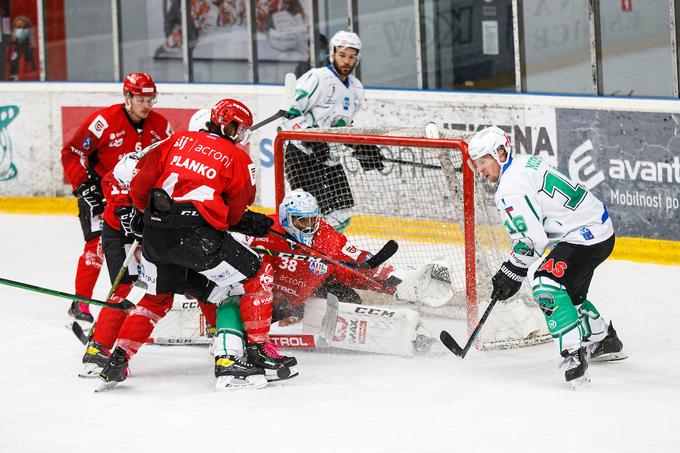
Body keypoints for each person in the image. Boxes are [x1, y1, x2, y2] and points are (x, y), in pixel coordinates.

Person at [98, 98, 275, 391]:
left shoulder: (175, 140)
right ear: (225, 124)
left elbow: (141, 183)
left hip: (155, 236)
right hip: (198, 240)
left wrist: (147, 216)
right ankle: (241, 358)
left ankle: (117, 360)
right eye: (237, 127)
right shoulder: (238, 157)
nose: (239, 134)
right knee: (250, 277)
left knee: (155, 300)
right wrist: (231, 220)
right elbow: (235, 210)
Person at [466, 126, 627, 387]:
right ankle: (602, 339)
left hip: (584, 235)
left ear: (500, 153)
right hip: (597, 228)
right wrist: (513, 268)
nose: (480, 169)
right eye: (477, 163)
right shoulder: (524, 162)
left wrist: (511, 271)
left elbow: (533, 240)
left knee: (546, 284)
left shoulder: (510, 188)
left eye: (483, 161)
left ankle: (573, 355)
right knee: (567, 293)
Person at [61, 73, 172, 335]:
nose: (147, 105)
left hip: (135, 201)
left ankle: (125, 304)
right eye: (141, 99)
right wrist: (82, 185)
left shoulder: (161, 126)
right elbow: (72, 153)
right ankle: (81, 304)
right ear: (127, 97)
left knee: (134, 253)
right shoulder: (103, 122)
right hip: (99, 195)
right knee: (96, 245)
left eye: (150, 99)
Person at [239, 189, 399, 365]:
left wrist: (383, 277)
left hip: (308, 291)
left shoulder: (327, 236)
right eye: (302, 221)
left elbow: (355, 261)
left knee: (350, 300)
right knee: (252, 318)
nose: (309, 226)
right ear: (286, 218)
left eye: (312, 219)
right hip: (272, 299)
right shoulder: (264, 231)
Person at [280, 30, 385, 232]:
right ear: (332, 54)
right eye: (342, 55)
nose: (347, 61)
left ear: (358, 59)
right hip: (302, 156)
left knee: (341, 212)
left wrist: (362, 147)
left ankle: (328, 256)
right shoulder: (317, 78)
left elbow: (342, 127)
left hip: (329, 157)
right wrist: (311, 138)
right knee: (309, 214)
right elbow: (290, 111)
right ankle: (308, 255)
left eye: (352, 56)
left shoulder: (356, 88)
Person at [5, 16, 39, 81]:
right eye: (19, 27)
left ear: (29, 30)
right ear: (14, 30)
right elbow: (6, 72)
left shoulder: (34, 50)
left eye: (25, 27)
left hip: (27, 87)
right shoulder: (9, 50)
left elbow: (41, 73)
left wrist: (21, 77)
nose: (22, 30)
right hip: (11, 88)